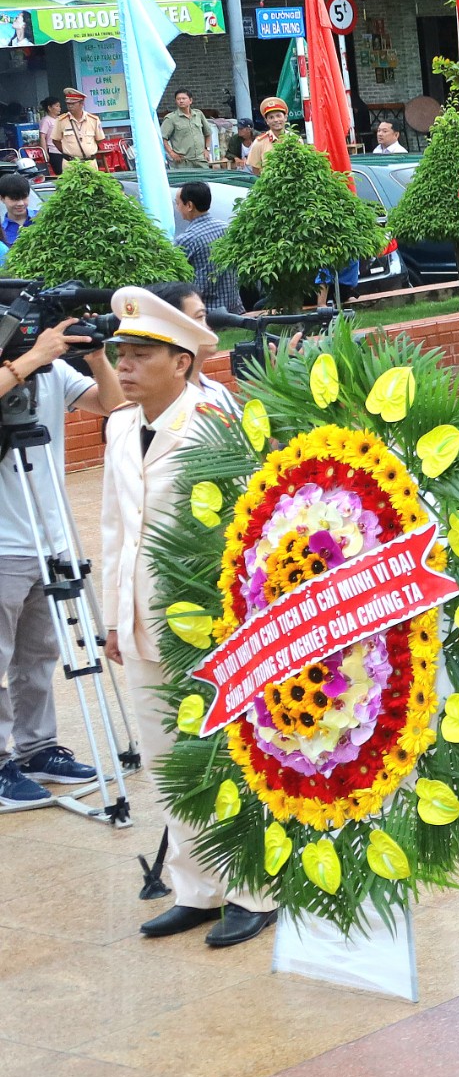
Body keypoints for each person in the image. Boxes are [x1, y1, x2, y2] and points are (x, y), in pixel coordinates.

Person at [101, 289, 274, 945]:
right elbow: (117, 526)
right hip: (144, 621)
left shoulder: (212, 420)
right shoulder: (119, 425)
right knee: (168, 758)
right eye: (122, 354)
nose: (126, 366)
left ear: (181, 361)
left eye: (142, 355)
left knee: (227, 757)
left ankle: (255, 889)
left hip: (209, 622)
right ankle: (196, 887)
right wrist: (116, 618)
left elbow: (248, 527)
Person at [0, 317, 116, 812]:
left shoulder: (53, 374)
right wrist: (30, 358)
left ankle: (37, 748)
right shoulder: (29, 363)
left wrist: (95, 356)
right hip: (3, 543)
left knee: (39, 655)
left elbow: (113, 405)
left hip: (51, 540)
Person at [171, 182, 241, 317]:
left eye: (178, 203)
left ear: (189, 206)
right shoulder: (227, 228)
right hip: (234, 307)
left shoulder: (186, 239)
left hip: (206, 313)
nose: (177, 207)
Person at [159, 88, 214, 169]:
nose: (181, 101)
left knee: (203, 181)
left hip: (200, 160)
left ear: (190, 100)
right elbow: (162, 138)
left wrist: (207, 149)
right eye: (178, 99)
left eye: (183, 98)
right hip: (182, 161)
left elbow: (208, 133)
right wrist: (171, 153)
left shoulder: (198, 114)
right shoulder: (171, 118)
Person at [54, 88, 100, 171]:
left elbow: (99, 139)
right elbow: (55, 140)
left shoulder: (93, 120)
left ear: (81, 103)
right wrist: (68, 152)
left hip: (89, 163)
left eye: (73, 103)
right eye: (68, 104)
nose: (69, 106)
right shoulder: (61, 120)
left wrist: (88, 149)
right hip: (70, 164)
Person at [244, 96, 290, 173]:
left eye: (278, 116)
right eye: (271, 117)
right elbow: (256, 171)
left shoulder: (295, 139)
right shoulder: (259, 142)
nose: (275, 120)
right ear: (266, 121)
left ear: (285, 117)